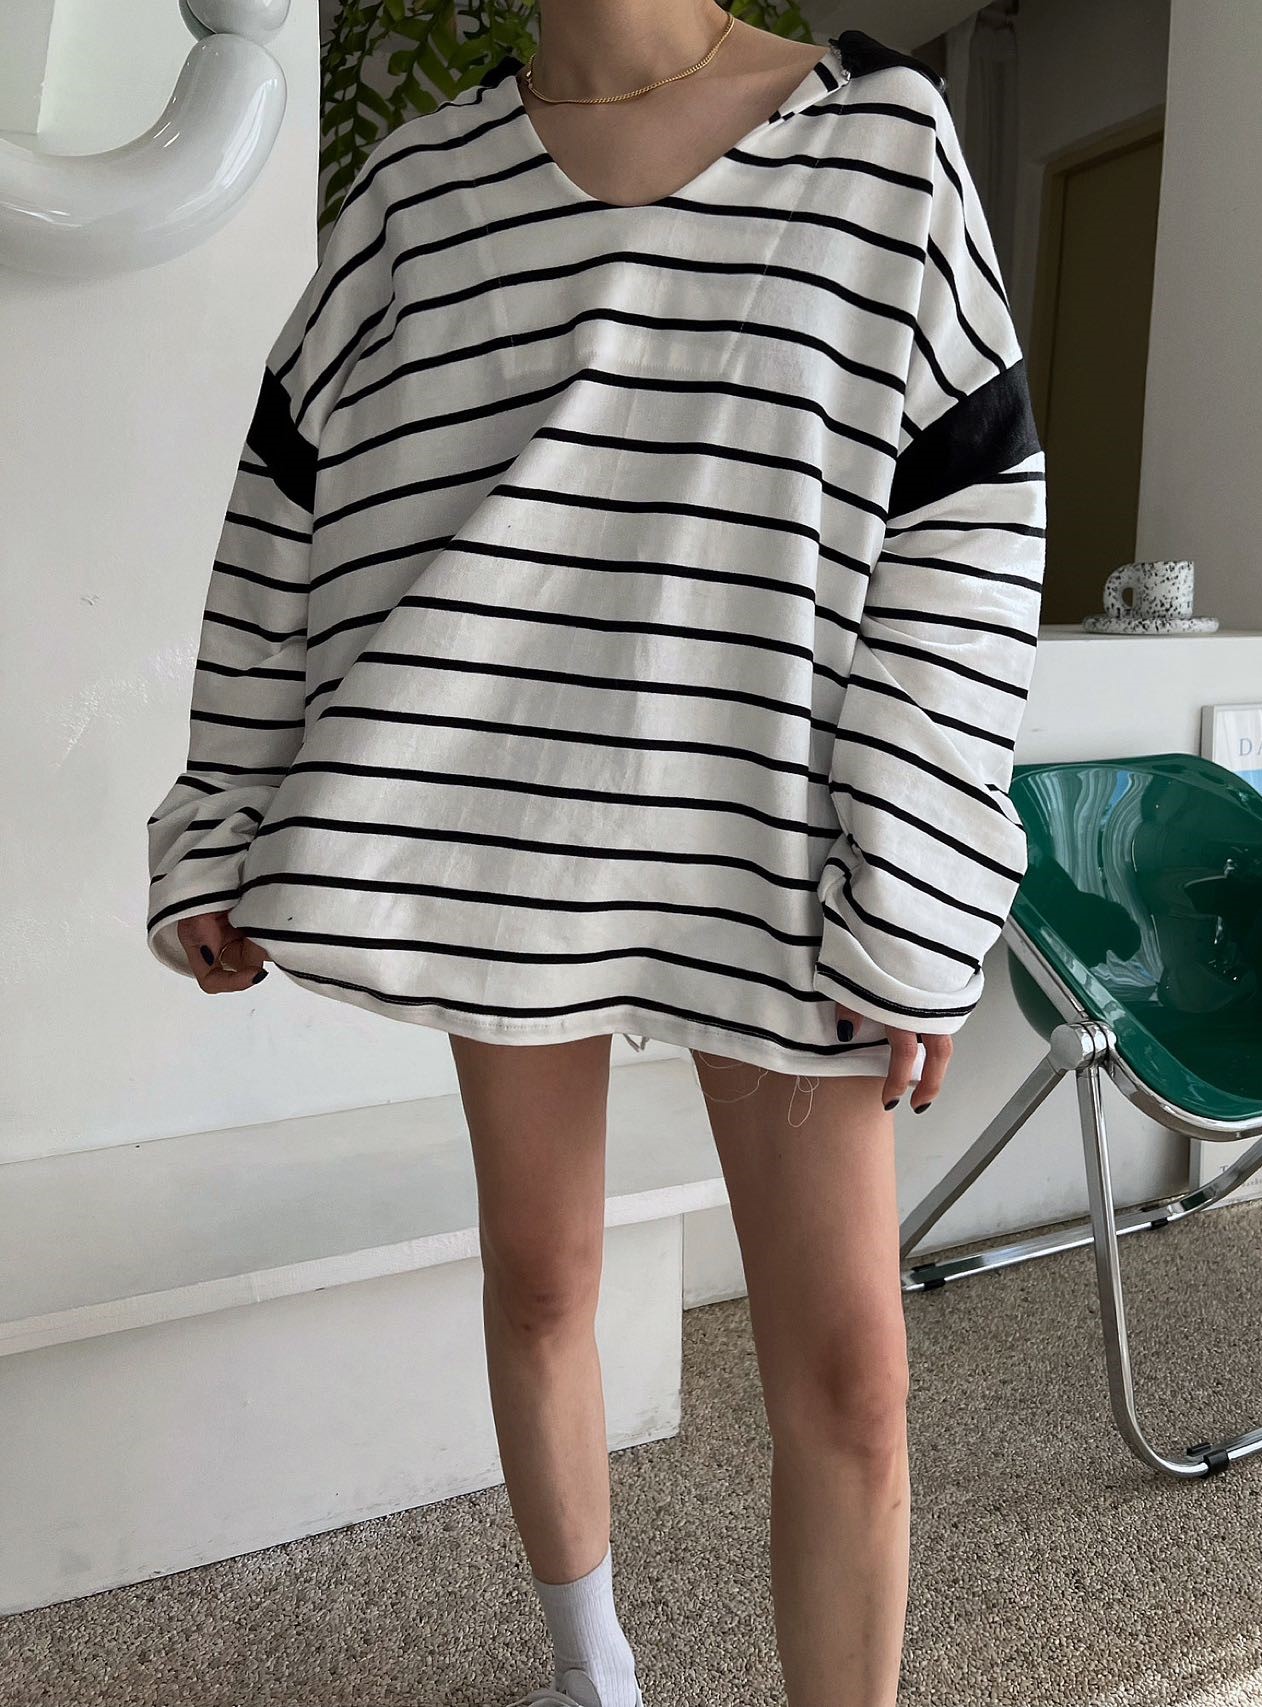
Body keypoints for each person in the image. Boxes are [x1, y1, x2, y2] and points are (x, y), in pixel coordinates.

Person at [145, 3, 1046, 1702]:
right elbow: (285, 508)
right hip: (503, 819)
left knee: (854, 1382)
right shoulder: (419, 192)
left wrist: (919, 889)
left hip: (776, 850)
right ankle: (592, 1672)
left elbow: (966, 533)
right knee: (546, 1275)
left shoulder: (880, 147)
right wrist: (228, 817)